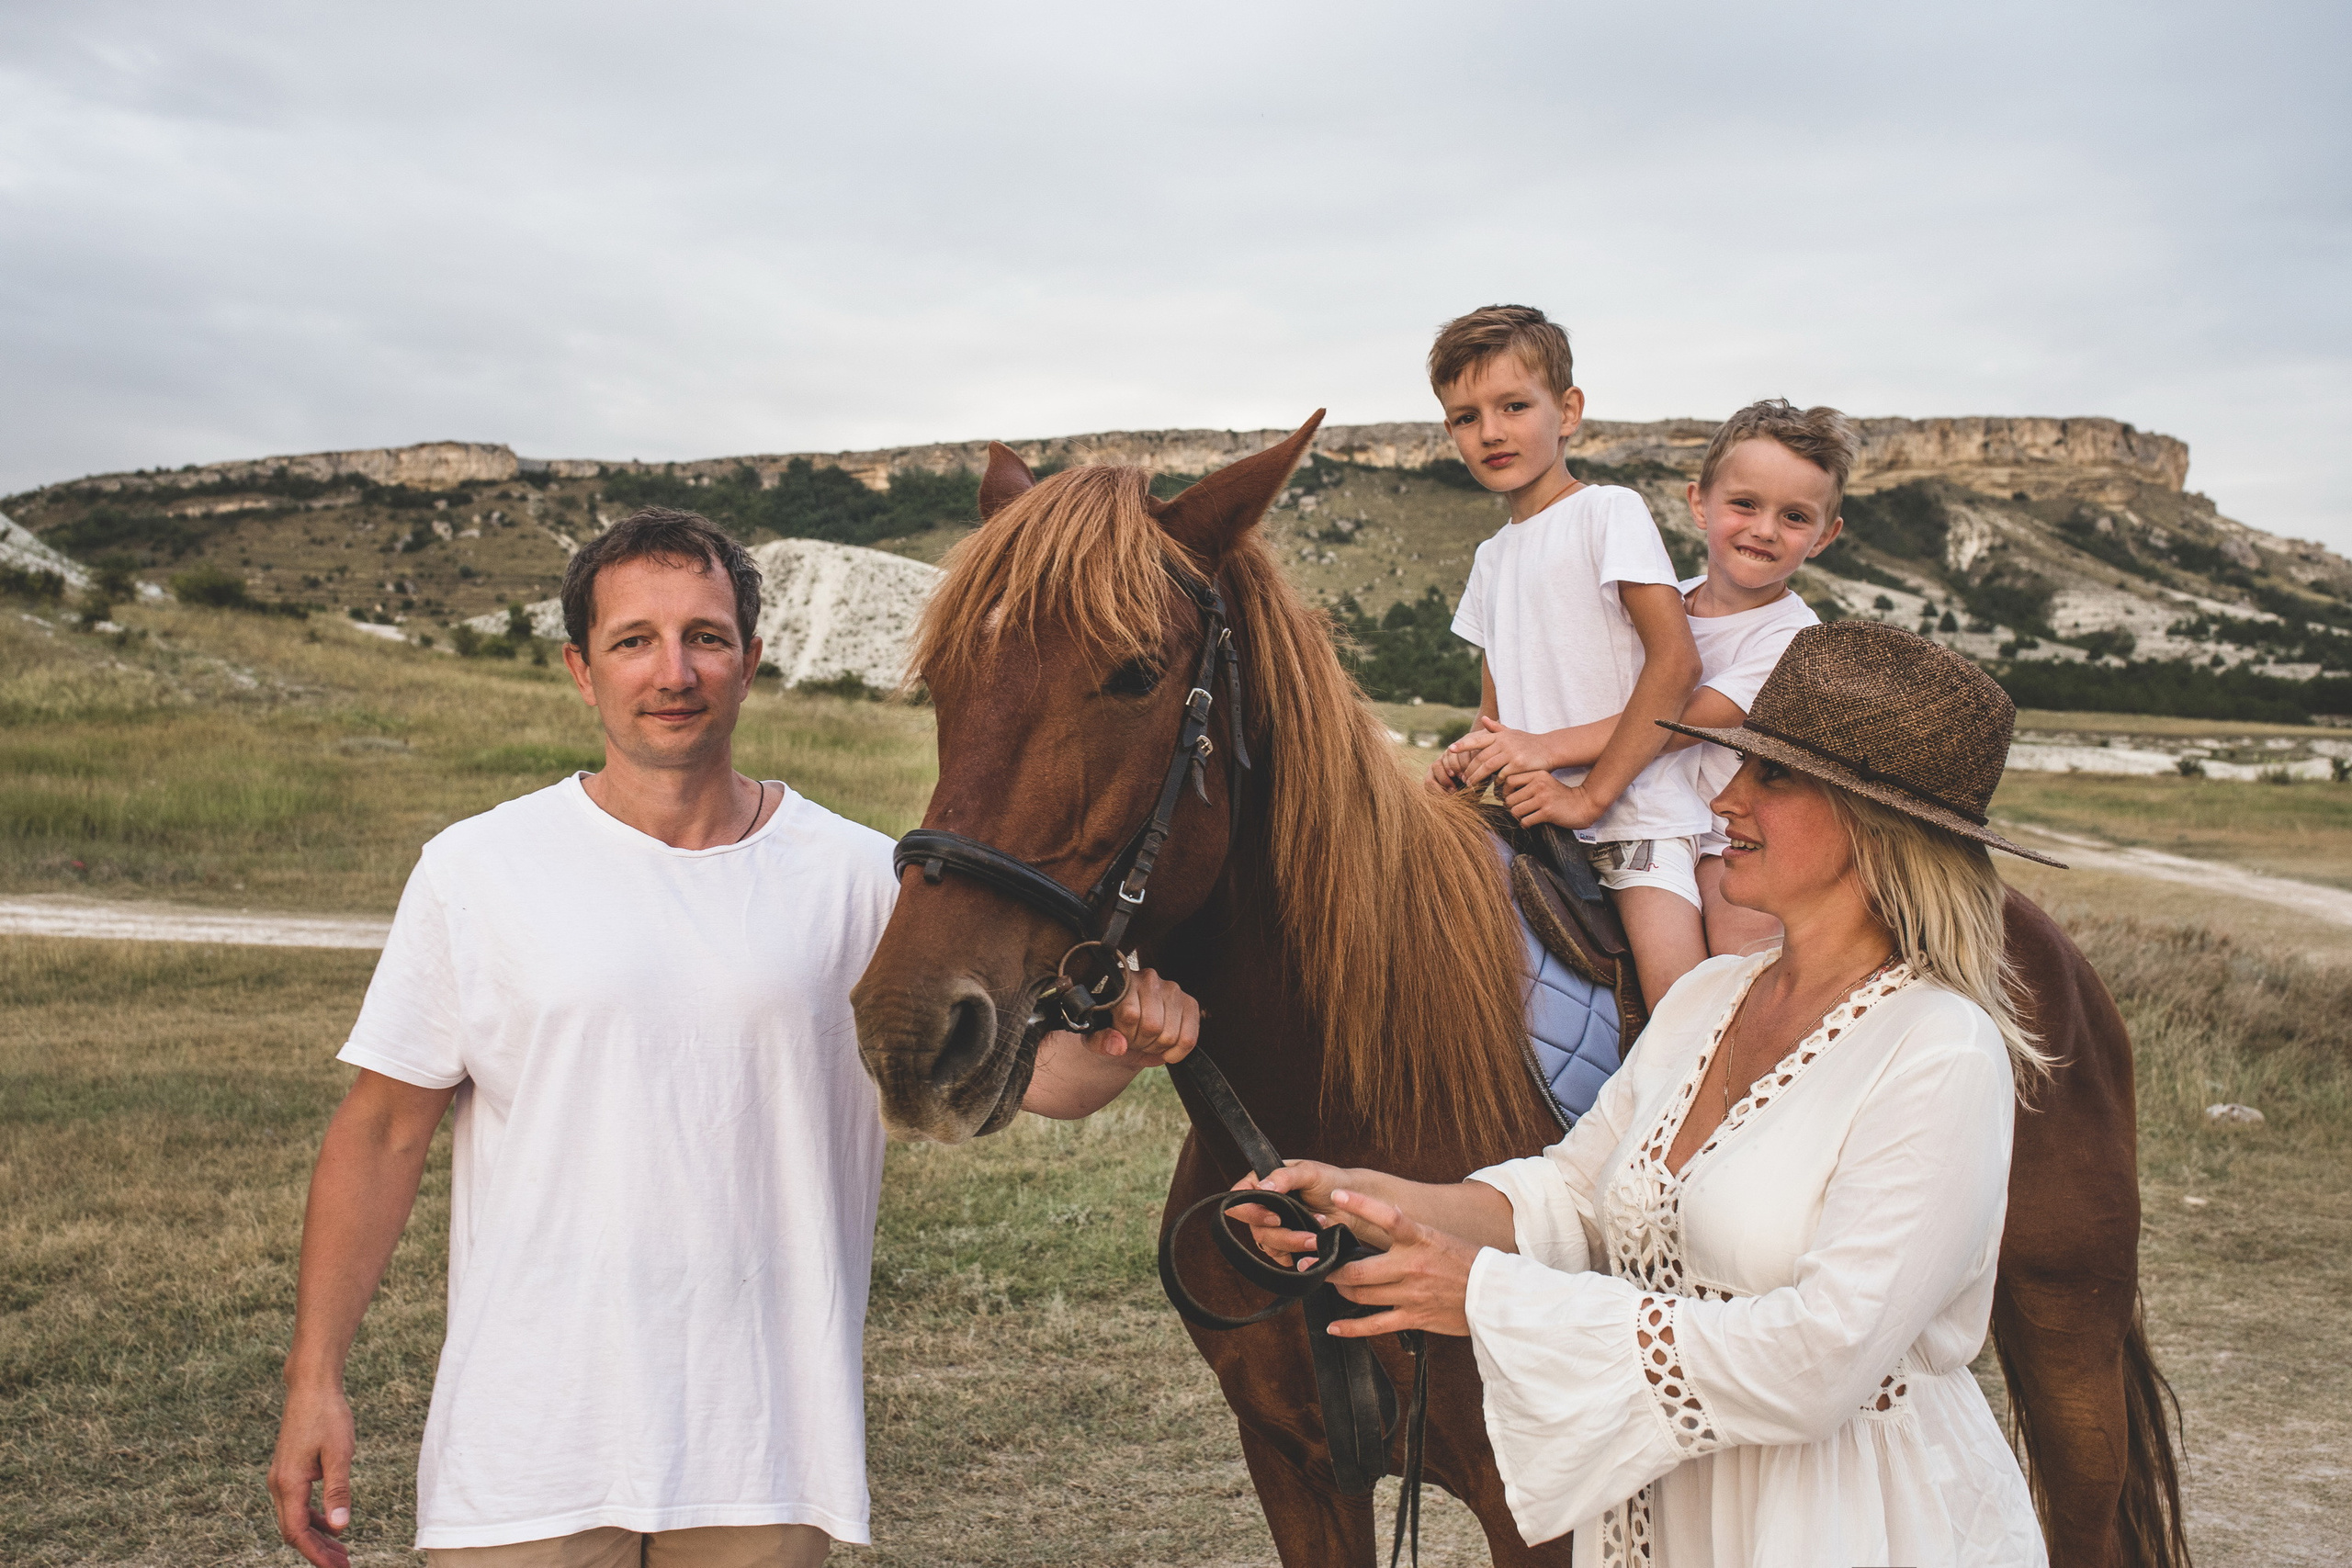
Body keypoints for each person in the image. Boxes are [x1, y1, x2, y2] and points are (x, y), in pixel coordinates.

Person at [266, 508, 1201, 1568]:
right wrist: (315, 1382)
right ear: (582, 669)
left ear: (750, 661)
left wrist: (1134, 1039)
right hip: (525, 1452)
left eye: (705, 637)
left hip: (763, 1454)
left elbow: (1049, 1083)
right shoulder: (478, 869)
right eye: (634, 641)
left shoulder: (861, 879)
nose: (674, 672)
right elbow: (383, 1133)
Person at [1241, 621, 2064, 1566]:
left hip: (1845, 1525)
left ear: (1872, 822)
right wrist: (1368, 1201)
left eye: (1772, 777)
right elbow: (1571, 1195)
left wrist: (1484, 1296)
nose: (1724, 799)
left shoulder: (1937, 1049)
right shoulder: (1710, 999)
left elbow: (1821, 1362)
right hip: (1670, 1512)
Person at [1454, 400, 1850, 958]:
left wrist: (1541, 748)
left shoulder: (1793, 640)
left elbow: (1680, 723)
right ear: (1699, 504)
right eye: (1744, 504)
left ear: (1824, 536)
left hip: (1724, 835)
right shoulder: (1660, 601)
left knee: (1722, 973)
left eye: (1794, 517)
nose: (1764, 530)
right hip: (1640, 807)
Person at [1422, 304, 1707, 1006]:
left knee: (1682, 1022)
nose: (1490, 432)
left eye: (1514, 406)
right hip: (1539, 826)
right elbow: (1498, 721)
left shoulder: (1609, 512)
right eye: (1465, 417)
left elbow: (1676, 667)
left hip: (1634, 820)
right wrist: (1468, 761)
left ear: (1568, 410)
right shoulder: (1491, 559)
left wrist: (1588, 793)